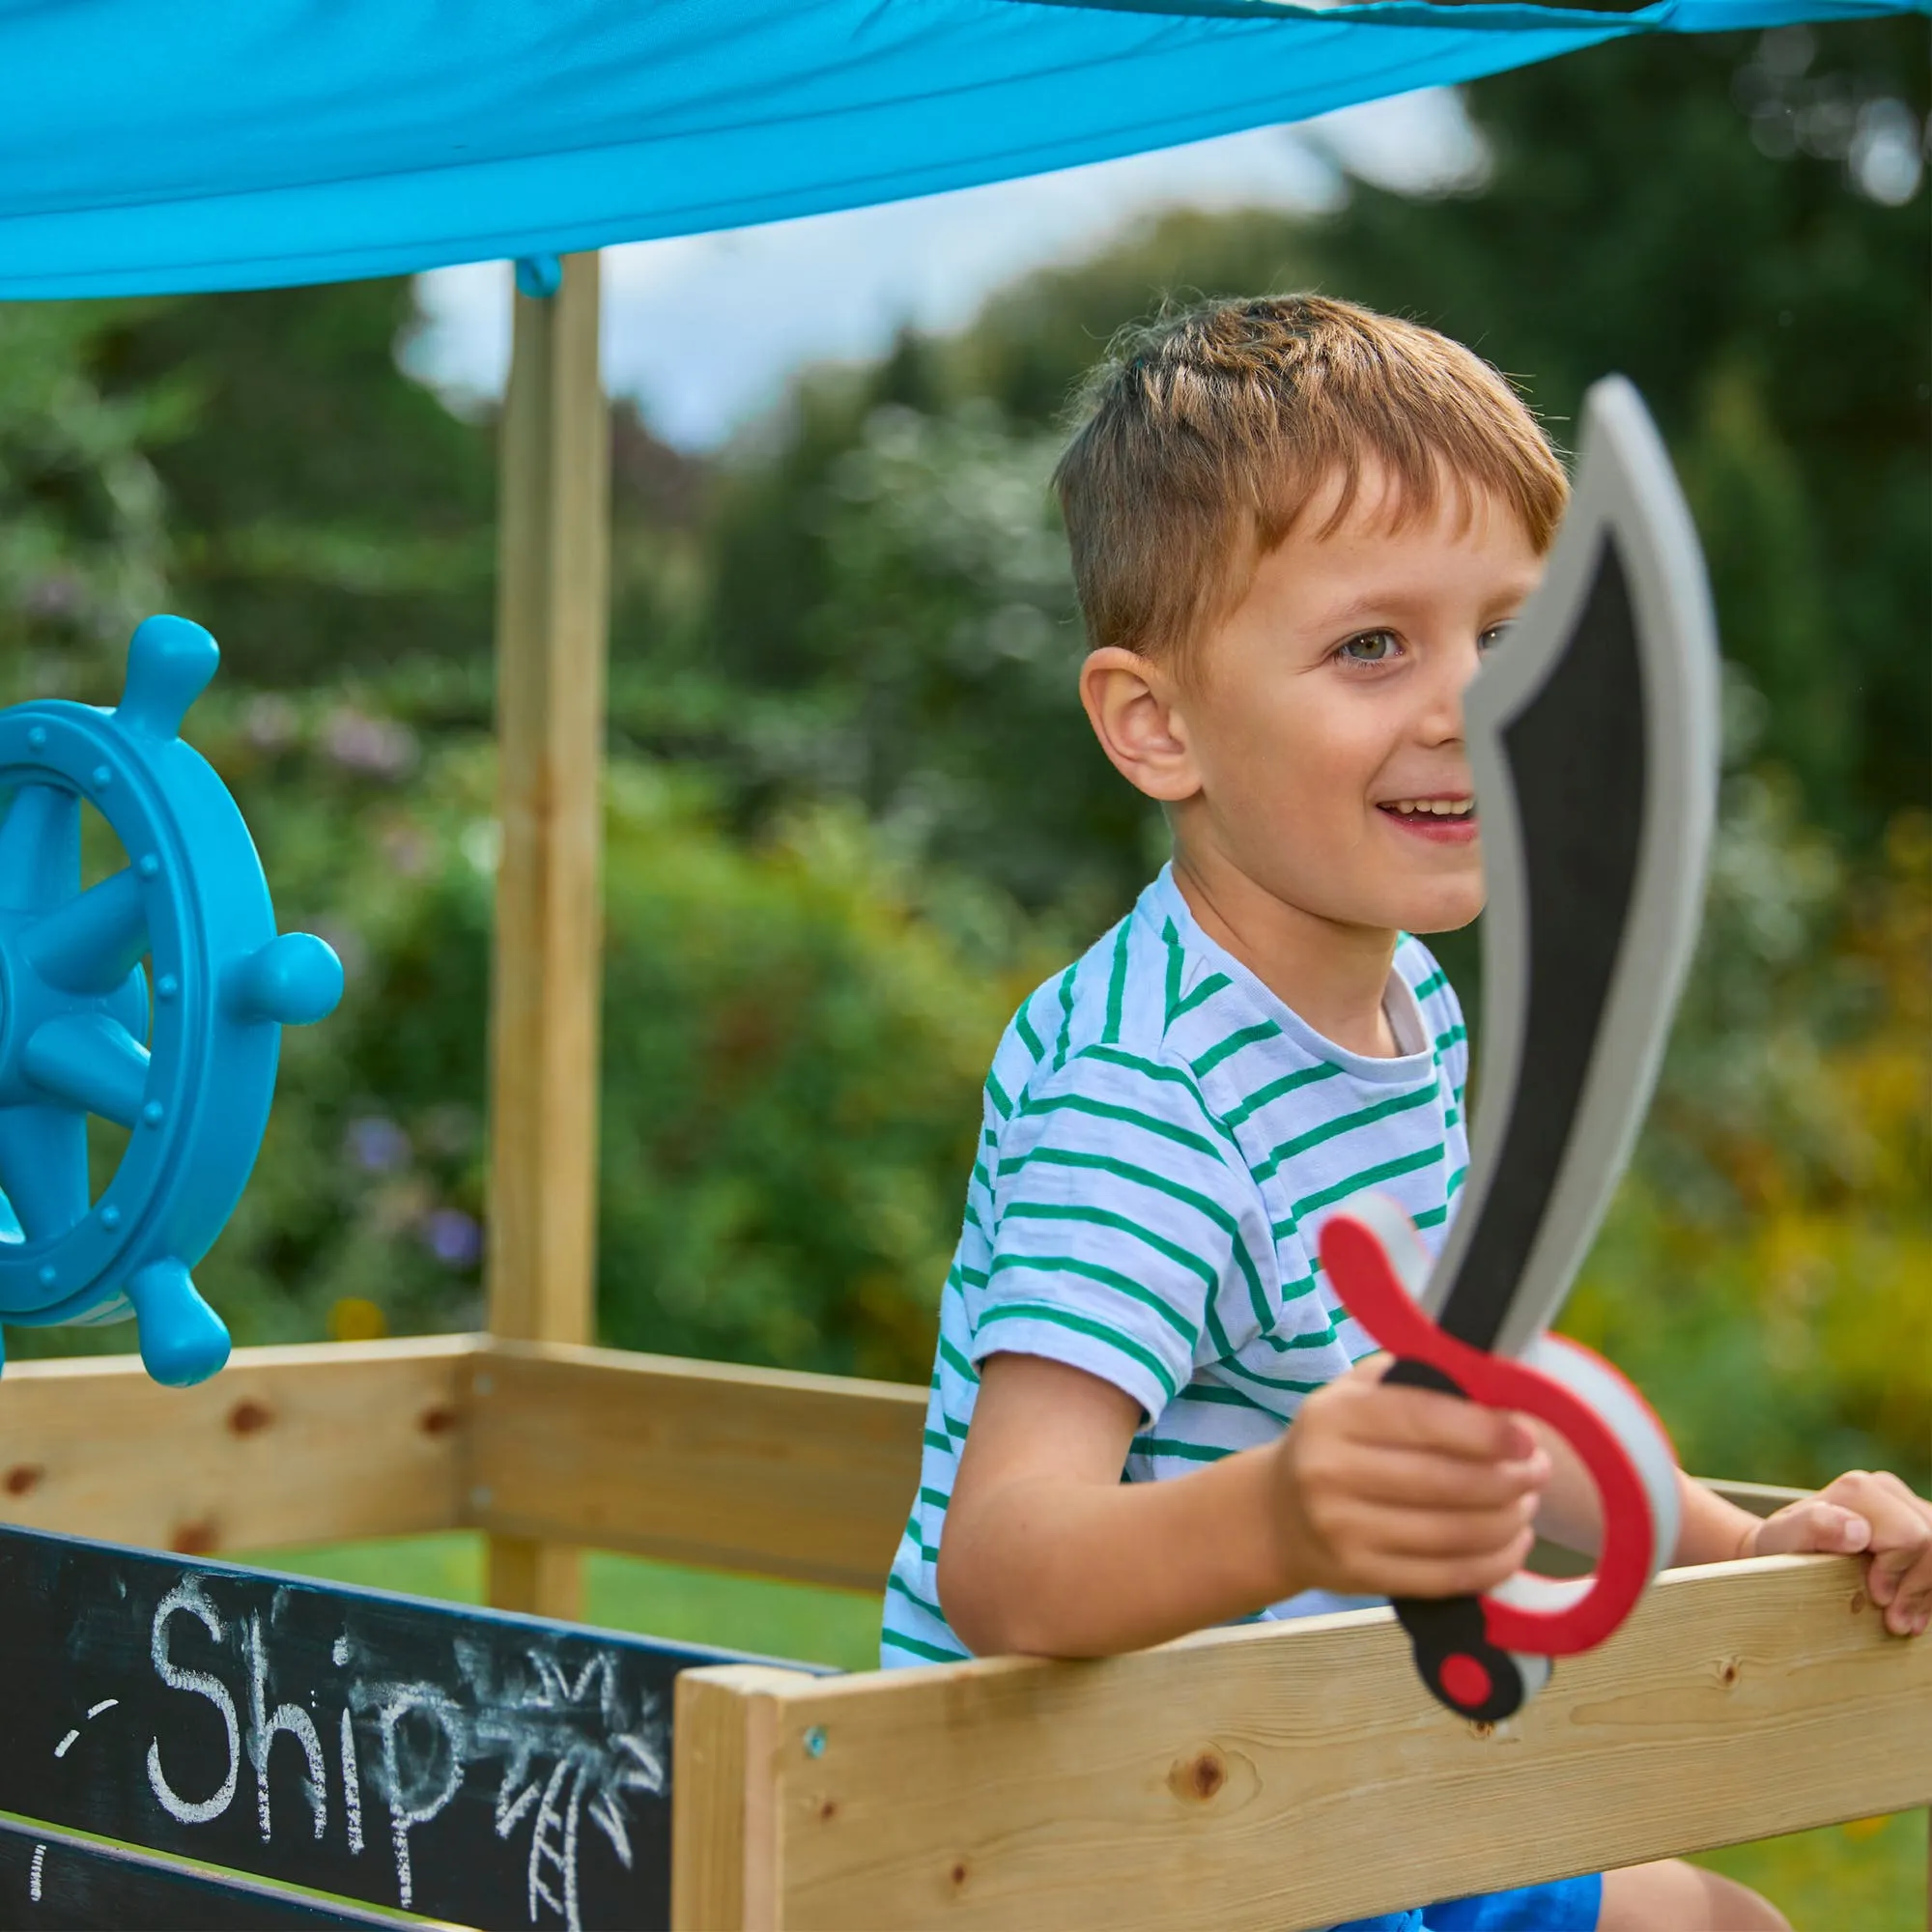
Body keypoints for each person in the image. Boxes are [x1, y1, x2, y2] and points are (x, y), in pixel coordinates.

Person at [878, 296, 1932, 1932]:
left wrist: (1744, 1545)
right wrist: (1289, 1509)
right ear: (1157, 725)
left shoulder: (1404, 1007)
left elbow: (1470, 1401)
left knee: (1727, 1926)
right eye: (1373, 646)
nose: (1467, 708)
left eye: (1504, 639)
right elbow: (1006, 1564)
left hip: (1319, 1767)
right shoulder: (1146, 1085)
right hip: (1093, 1834)